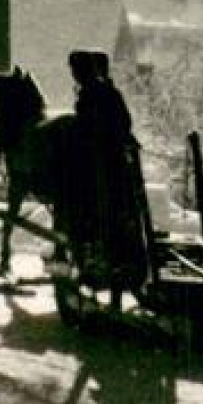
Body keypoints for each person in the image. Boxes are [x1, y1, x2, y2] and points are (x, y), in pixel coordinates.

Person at [68, 50, 151, 295]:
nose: (74, 76)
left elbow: (87, 131)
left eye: (76, 71)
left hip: (102, 167)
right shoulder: (110, 93)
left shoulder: (91, 95)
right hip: (118, 165)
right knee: (123, 214)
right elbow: (125, 123)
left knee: (90, 207)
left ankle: (99, 257)